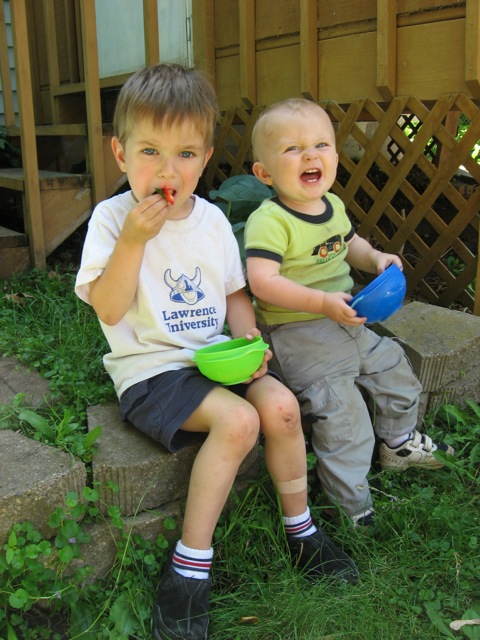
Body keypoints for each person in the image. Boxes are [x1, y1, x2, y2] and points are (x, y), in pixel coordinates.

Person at [75, 67, 359, 640]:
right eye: (149, 151)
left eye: (184, 153)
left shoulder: (210, 222)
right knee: (239, 422)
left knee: (279, 406)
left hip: (215, 358)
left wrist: (250, 343)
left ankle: (301, 529)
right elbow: (108, 308)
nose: (167, 169)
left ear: (205, 159)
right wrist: (134, 239)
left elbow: (234, 291)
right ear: (120, 154)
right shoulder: (111, 221)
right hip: (153, 371)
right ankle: (189, 566)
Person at [244, 98, 455, 529]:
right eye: (292, 148)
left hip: (347, 319)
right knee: (344, 415)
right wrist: (321, 303)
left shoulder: (332, 205)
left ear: (336, 158)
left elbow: (349, 244)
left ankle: (397, 444)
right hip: (298, 332)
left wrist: (375, 258)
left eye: (321, 144)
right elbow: (262, 281)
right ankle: (352, 504)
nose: (309, 155)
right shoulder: (270, 220)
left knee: (395, 369)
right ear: (264, 174)